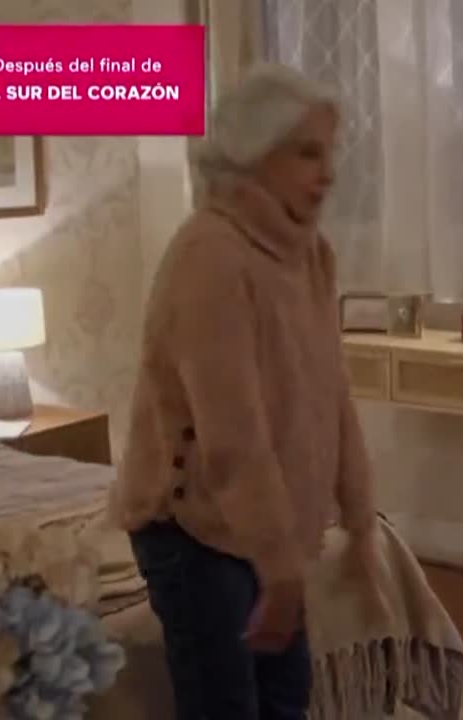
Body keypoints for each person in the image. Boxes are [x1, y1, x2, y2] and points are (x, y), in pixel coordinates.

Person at [108, 64, 382, 720]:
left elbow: (331, 394)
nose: (329, 174)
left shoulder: (308, 252)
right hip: (192, 529)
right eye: (307, 153)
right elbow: (232, 435)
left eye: (330, 153)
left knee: (285, 698)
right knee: (225, 705)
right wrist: (279, 566)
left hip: (263, 525)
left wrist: (360, 518)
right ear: (255, 154)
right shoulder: (210, 255)